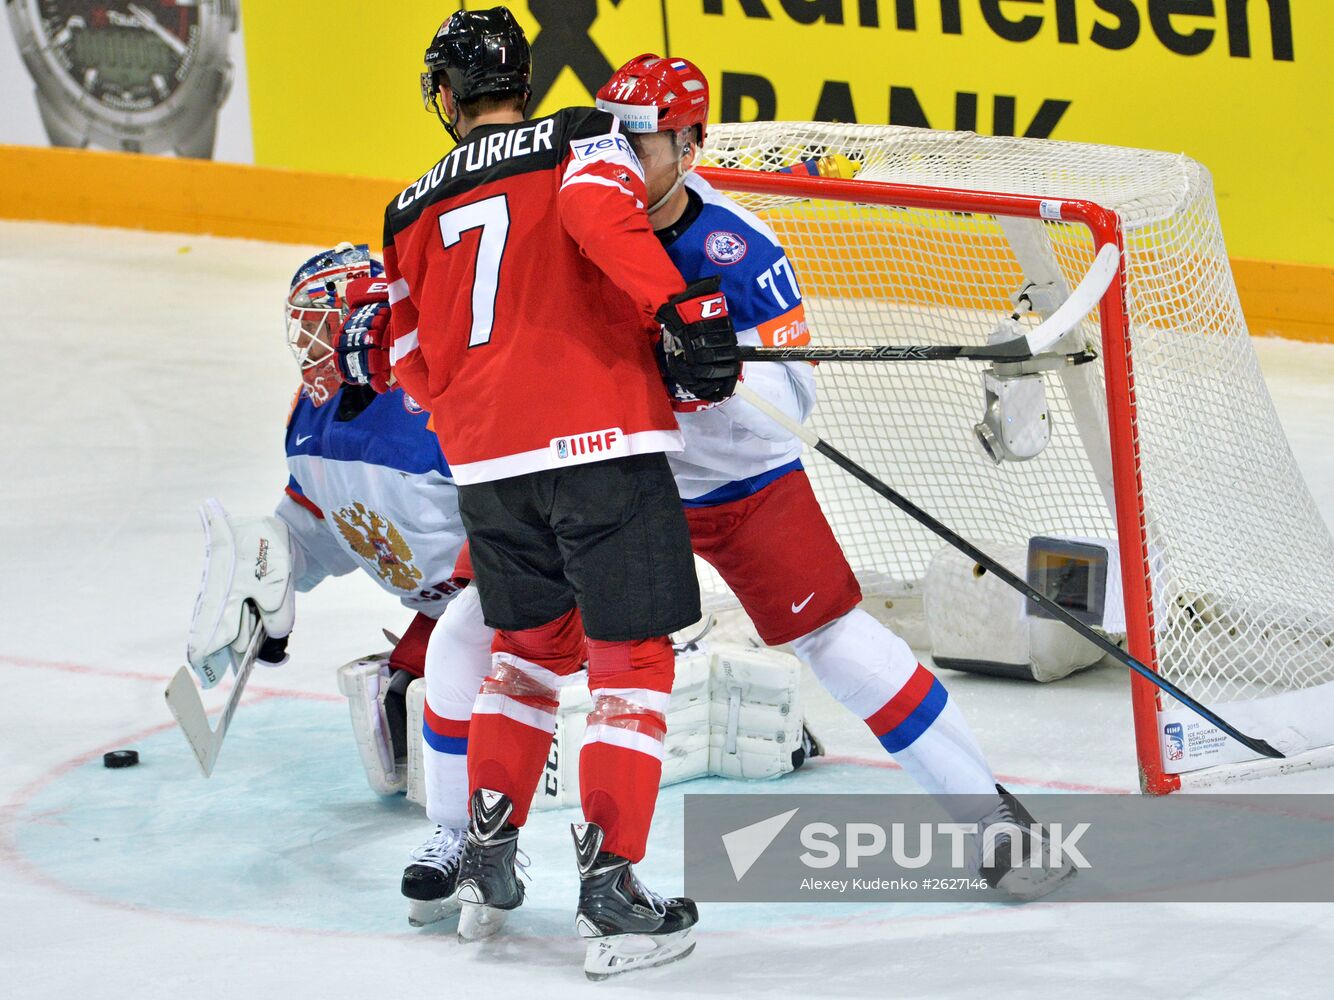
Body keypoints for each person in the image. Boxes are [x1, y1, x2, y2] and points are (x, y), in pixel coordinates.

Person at [590, 53, 1075, 900]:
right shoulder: (582, 225)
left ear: (691, 145)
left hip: (743, 487)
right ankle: (472, 833)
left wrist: (723, 378)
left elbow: (794, 398)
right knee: (517, 627)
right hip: (628, 480)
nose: (622, 159)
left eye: (644, 140)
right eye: (612, 136)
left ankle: (987, 815)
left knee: (842, 645)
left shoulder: (739, 248)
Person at [377, 8, 740, 978]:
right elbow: (594, 218)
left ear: (448, 97)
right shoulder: (584, 134)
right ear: (522, 84)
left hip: (487, 468)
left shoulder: (405, 206)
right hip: (598, 440)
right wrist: (676, 306)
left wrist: (478, 409)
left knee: (527, 657)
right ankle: (612, 889)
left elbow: (405, 353)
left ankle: (487, 861)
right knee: (630, 660)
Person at [185, 243, 470, 797]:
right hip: (449, 612)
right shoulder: (309, 417)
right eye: (302, 331)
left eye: (319, 328)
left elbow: (529, 517)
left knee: (463, 710)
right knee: (402, 711)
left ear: (359, 322)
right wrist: (265, 580)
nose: (307, 348)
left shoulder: (439, 396)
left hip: (520, 600)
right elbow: (316, 525)